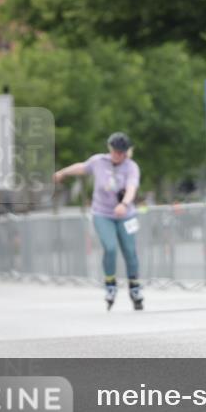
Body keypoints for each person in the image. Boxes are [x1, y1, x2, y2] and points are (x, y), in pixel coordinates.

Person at [53, 132, 144, 311]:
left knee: (130, 250)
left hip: (126, 214)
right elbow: (82, 167)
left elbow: (132, 187)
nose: (119, 155)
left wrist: (124, 204)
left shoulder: (131, 167)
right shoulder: (98, 161)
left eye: (123, 152)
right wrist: (62, 172)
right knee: (110, 247)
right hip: (103, 213)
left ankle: (135, 287)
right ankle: (110, 284)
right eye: (116, 151)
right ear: (110, 149)